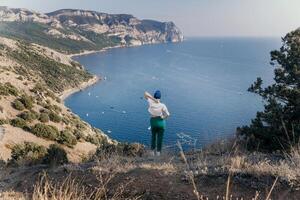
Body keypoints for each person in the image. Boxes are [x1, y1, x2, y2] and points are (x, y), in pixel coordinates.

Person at [144, 90, 170, 156]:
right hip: (161, 122)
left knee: (153, 137)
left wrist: (153, 99)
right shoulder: (162, 105)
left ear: (154, 96)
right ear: (160, 97)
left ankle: (152, 152)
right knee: (160, 138)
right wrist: (163, 118)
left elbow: (145, 93)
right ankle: (158, 152)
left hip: (153, 121)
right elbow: (168, 114)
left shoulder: (150, 102)